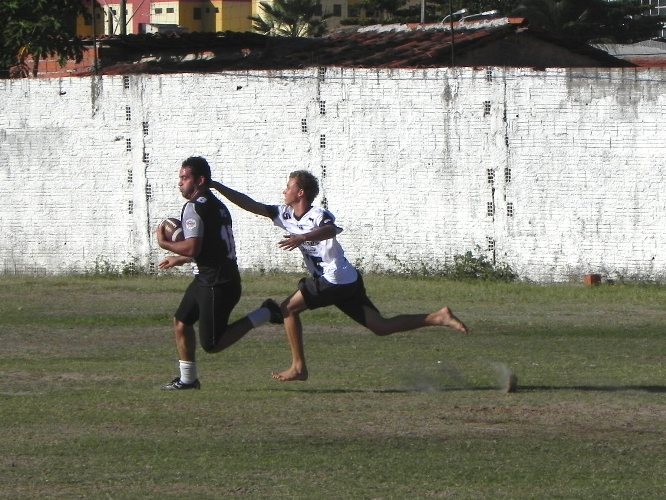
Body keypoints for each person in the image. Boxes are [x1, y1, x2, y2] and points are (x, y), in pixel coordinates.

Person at [210, 170, 469, 382]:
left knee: (287, 308)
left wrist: (302, 237)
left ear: (300, 192)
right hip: (347, 279)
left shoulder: (318, 215)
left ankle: (299, 368)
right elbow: (250, 204)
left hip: (333, 279)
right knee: (380, 326)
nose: (284, 190)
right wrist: (218, 187)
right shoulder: (284, 214)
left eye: (288, 186)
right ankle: (437, 317)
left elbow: (331, 230)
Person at [156, 156, 283, 390]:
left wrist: (166, 244)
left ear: (200, 180)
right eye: (180, 178)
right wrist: (180, 258)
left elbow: (193, 246)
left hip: (216, 282)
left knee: (213, 344)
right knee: (182, 321)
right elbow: (210, 246)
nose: (180, 183)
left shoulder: (194, 206)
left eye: (185, 178)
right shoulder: (218, 205)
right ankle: (188, 379)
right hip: (210, 277)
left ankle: (265, 312)